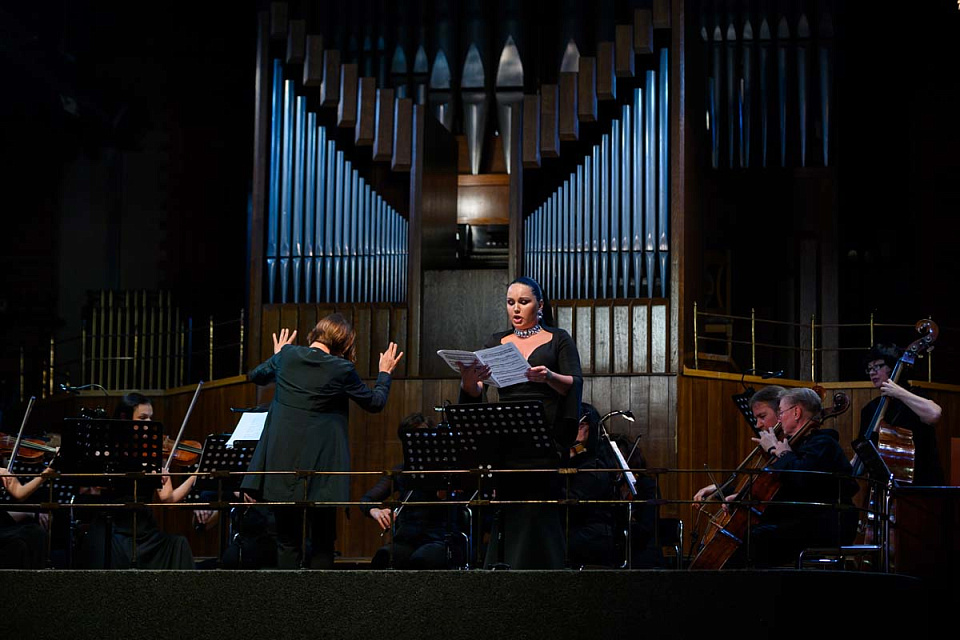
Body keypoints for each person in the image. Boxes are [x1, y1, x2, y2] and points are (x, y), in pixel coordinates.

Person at [241, 313, 403, 569]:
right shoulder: (341, 368)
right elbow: (375, 403)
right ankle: (320, 595)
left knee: (287, 541)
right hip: (323, 469)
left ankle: (286, 594)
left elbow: (255, 376)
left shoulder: (287, 356)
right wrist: (384, 373)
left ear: (315, 333)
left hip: (283, 465)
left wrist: (277, 356)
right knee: (323, 541)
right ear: (345, 344)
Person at [458, 276, 582, 569]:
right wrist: (468, 382)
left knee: (539, 512)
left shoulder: (558, 338)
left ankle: (545, 571)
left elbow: (574, 383)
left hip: (544, 438)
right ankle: (506, 570)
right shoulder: (496, 341)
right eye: (510, 302)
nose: (516, 308)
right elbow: (478, 391)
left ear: (540, 305)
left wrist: (548, 377)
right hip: (508, 439)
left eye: (523, 302)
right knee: (509, 510)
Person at [732, 387, 858, 567]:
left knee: (757, 537)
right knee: (749, 533)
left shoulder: (823, 443)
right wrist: (744, 499)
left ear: (797, 412)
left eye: (781, 412)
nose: (779, 418)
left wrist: (778, 452)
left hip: (826, 523)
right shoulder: (798, 445)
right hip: (804, 519)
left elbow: (801, 479)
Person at [75, 392, 196, 569]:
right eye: (142, 418)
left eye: (151, 418)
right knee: (104, 548)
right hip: (113, 525)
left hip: (144, 529)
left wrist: (195, 475)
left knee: (179, 544)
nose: (149, 423)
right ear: (125, 419)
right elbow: (89, 488)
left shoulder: (155, 453)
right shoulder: (109, 450)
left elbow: (168, 499)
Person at [360, 413, 467, 569]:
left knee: (422, 559)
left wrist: (444, 490)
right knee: (384, 557)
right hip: (407, 539)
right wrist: (375, 511)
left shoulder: (444, 470)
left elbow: (453, 499)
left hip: (438, 539)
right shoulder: (401, 471)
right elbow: (366, 500)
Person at [859, 343, 943, 485]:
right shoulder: (870, 409)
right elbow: (862, 457)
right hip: (885, 487)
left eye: (877, 366)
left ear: (892, 366)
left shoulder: (915, 396)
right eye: (869, 369)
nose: (872, 372)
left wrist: (898, 392)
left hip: (921, 483)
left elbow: (934, 414)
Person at [563, 403, 618, 568]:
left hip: (591, 533)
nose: (574, 431)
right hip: (574, 528)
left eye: (581, 426)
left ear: (592, 429)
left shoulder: (596, 465)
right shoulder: (575, 457)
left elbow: (575, 503)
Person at [0, 460, 57, 568]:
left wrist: (47, 471)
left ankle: (35, 577)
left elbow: (20, 493)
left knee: (35, 532)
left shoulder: (3, 467)